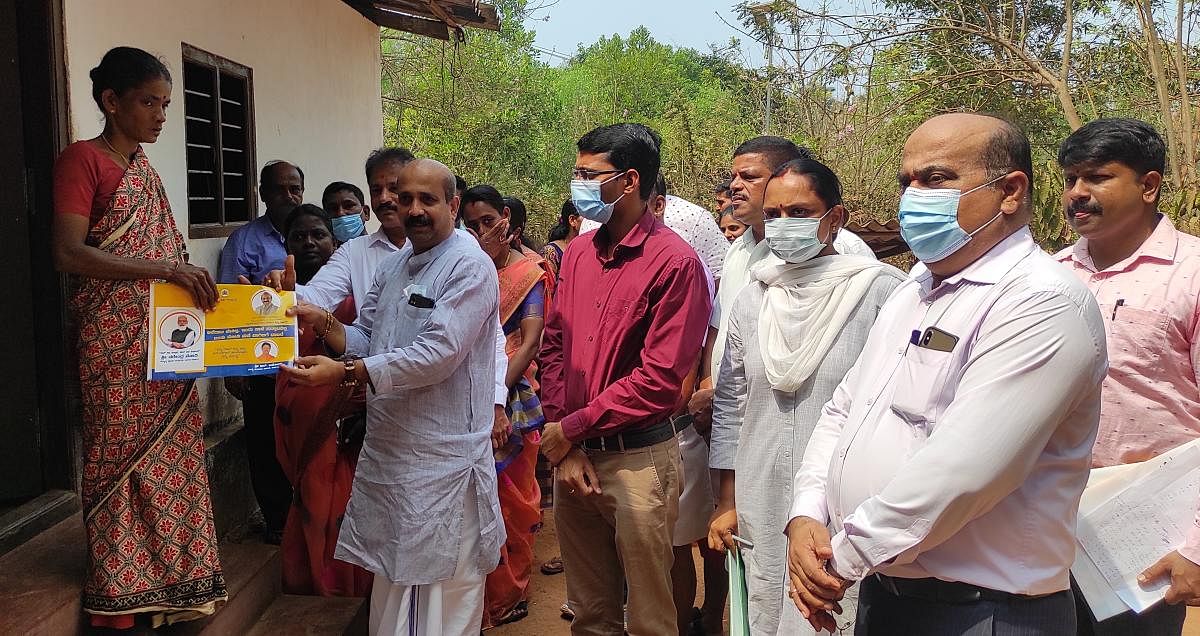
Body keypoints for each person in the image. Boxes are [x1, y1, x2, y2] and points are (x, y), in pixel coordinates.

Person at [785, 113, 1107, 635]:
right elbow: (846, 408)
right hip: (885, 593)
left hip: (984, 610)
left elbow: (965, 470)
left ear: (1010, 191)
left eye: (935, 179)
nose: (913, 197)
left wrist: (840, 558)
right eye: (906, 181)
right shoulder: (914, 289)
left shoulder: (1041, 303)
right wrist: (805, 515)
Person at [281, 158, 504, 636]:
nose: (415, 210)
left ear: (454, 203)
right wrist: (324, 323)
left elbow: (437, 354)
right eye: (406, 200)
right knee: (392, 591)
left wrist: (344, 373)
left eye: (428, 199)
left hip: (440, 464)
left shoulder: (470, 266)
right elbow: (366, 335)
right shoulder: (396, 265)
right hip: (392, 456)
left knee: (436, 601)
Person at [51, 45, 226, 631]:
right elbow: (70, 253)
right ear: (111, 101)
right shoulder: (84, 161)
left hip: (161, 340)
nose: (160, 115)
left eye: (166, 104)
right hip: (112, 342)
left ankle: (167, 585)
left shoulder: (144, 171)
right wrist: (161, 270)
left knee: (171, 459)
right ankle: (119, 598)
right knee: (117, 461)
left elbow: (167, 255)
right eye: (148, 102)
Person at [706, 157, 906, 635]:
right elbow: (733, 408)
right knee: (763, 609)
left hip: (845, 503)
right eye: (772, 215)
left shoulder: (881, 294)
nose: (782, 225)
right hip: (760, 494)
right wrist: (727, 500)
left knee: (833, 610)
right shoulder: (754, 298)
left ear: (834, 219)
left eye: (799, 212)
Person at [540, 123, 712, 635]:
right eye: (577, 172)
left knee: (649, 616)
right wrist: (565, 442)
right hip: (574, 458)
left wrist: (571, 428)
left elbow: (659, 380)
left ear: (630, 180)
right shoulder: (576, 253)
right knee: (591, 612)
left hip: (638, 461)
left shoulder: (675, 263)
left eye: (588, 175)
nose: (577, 183)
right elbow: (554, 347)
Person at [1053, 118, 1200, 636]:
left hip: (1146, 536)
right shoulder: (1049, 276)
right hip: (1043, 527)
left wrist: (1197, 549)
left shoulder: (1192, 274)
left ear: (1149, 185)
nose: (1077, 194)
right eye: (1070, 179)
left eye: (1096, 177)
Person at [461, 184, 556, 628]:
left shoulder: (530, 273)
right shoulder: (463, 267)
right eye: (471, 224)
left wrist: (496, 393)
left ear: (504, 218)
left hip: (514, 396)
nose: (480, 231)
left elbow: (531, 339)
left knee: (512, 499)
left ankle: (509, 591)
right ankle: (474, 596)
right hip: (465, 393)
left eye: (486, 221)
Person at [272, 204, 372, 598]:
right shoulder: (275, 299)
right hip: (302, 417)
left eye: (318, 235)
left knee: (345, 501)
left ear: (335, 243)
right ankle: (314, 580)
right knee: (311, 500)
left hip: (351, 419)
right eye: (299, 237)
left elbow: (363, 347)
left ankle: (347, 586)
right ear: (287, 244)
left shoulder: (353, 299)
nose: (309, 242)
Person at [221, 160, 304, 543]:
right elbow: (228, 305)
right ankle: (277, 523)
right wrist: (233, 368)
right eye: (278, 189)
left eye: (294, 188)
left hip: (313, 361)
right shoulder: (244, 241)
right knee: (265, 443)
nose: (288, 196)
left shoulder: (313, 231)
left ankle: (311, 518)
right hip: (263, 365)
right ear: (262, 193)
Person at [581, 174, 728, 281]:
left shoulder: (694, 221)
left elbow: (721, 279)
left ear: (658, 206)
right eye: (580, 173)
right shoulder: (587, 230)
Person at [542, 199, 581, 281]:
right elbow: (547, 289)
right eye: (587, 218)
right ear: (572, 220)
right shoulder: (551, 252)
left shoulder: (592, 249)